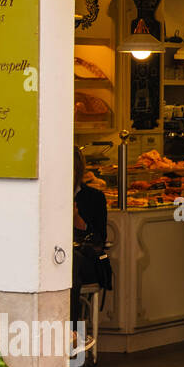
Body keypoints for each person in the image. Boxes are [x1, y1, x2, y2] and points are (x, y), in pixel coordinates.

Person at [72, 148, 111, 351]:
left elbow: (99, 239)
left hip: (86, 258)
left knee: (73, 261)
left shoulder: (94, 197)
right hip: (58, 259)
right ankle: (71, 332)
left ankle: (70, 332)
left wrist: (77, 220)